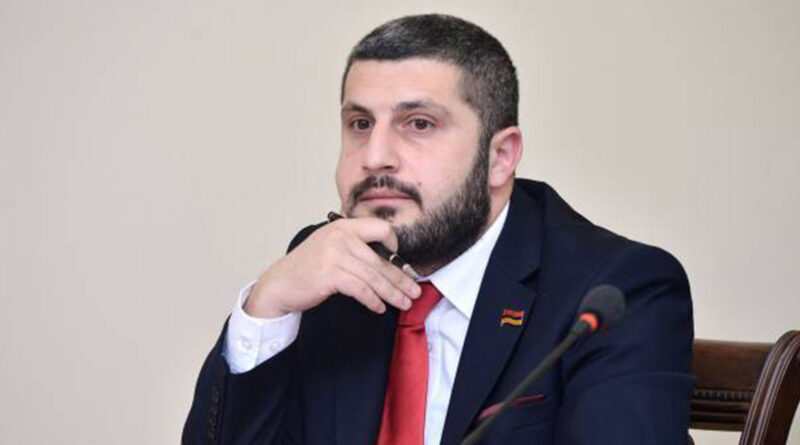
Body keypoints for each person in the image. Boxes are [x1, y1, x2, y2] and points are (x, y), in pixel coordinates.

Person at [183, 13, 694, 445]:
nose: (375, 157)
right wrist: (266, 308)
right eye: (360, 124)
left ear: (499, 157)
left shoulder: (617, 289)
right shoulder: (330, 271)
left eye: (419, 124)